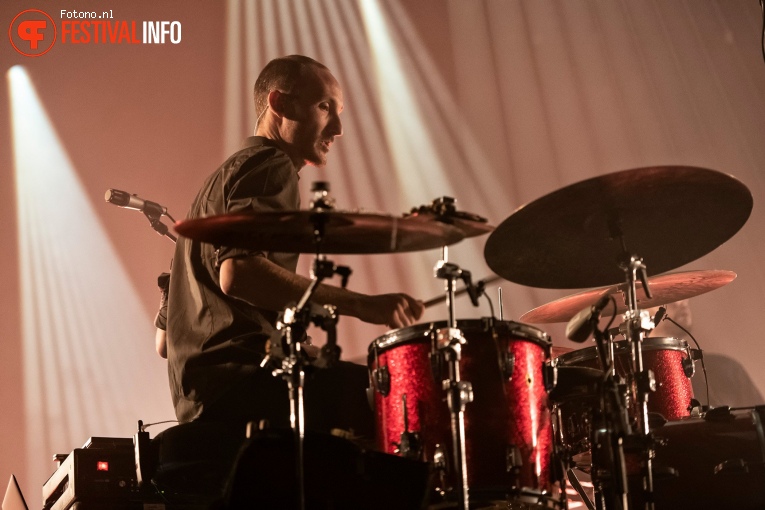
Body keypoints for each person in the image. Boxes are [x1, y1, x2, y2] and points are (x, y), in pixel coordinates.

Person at [164, 55, 424, 434]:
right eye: (324, 108)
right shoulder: (272, 164)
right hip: (243, 381)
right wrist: (365, 304)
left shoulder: (217, 184)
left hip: (201, 395)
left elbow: (163, 341)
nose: (337, 128)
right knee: (391, 394)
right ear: (279, 104)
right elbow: (239, 274)